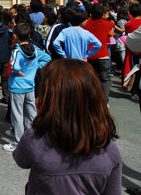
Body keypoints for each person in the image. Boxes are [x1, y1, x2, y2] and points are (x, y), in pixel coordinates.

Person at [13, 59, 121, 194]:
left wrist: (41, 119)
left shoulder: (36, 141)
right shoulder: (109, 150)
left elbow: (20, 160)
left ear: (49, 98)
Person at [3, 23, 50, 152]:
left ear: (15, 36)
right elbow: (47, 57)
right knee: (31, 112)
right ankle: (33, 137)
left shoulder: (17, 50)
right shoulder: (35, 48)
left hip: (17, 86)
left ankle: (18, 141)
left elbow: (14, 66)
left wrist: (17, 72)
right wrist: (36, 66)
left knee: (17, 114)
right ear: (29, 35)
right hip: (30, 85)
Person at [82, 4, 115, 102]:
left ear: (91, 15)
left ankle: (92, 99)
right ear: (103, 14)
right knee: (105, 79)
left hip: (89, 55)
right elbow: (112, 25)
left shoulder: (87, 24)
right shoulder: (108, 24)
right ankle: (104, 100)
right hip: (103, 55)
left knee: (91, 79)